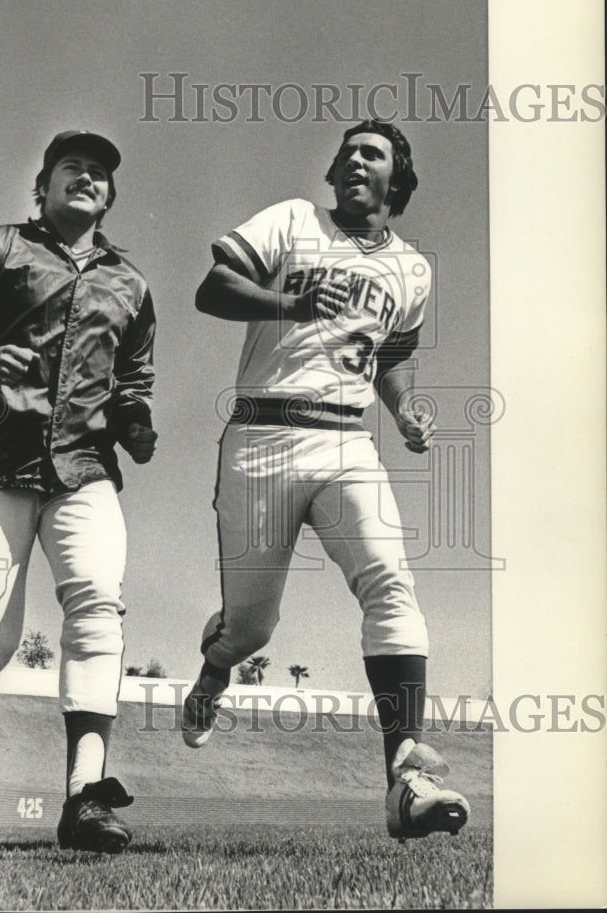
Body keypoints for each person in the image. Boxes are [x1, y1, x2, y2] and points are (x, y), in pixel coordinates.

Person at [181, 119, 470, 841]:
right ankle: (216, 666)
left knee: (391, 582)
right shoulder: (293, 219)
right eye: (345, 154)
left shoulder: (412, 269)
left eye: (370, 154)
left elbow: (391, 356)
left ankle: (406, 776)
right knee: (253, 628)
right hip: (260, 434)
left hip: (346, 439)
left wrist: (404, 410)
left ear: (397, 179)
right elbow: (212, 288)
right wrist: (290, 303)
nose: (353, 162)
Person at [0, 130, 157, 854]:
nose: (87, 176)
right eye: (72, 166)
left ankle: (84, 798)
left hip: (85, 468)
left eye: (99, 172)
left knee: (98, 605)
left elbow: (134, 375)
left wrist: (136, 420)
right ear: (42, 187)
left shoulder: (130, 284)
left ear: (109, 197)